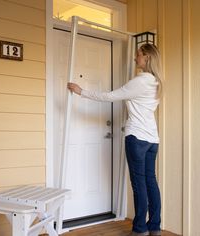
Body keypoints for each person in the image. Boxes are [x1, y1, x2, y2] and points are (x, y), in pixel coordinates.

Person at [67, 43, 163, 236]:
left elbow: (109, 96)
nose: (135, 58)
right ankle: (154, 228)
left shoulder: (141, 81)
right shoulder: (157, 82)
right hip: (152, 139)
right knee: (151, 182)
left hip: (137, 137)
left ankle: (139, 229)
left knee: (139, 184)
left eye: (138, 55)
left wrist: (81, 91)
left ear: (147, 58)